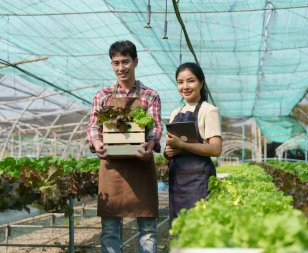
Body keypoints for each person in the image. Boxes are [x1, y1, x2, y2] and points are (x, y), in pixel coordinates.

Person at [87, 40, 163, 253]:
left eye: (125, 62)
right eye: (116, 63)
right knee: (110, 228)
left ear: (136, 62)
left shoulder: (150, 95)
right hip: (112, 169)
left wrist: (150, 143)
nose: (121, 68)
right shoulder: (102, 96)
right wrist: (98, 142)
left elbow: (156, 126)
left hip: (141, 166)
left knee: (147, 228)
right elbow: (94, 126)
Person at [164, 62, 222, 224]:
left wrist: (182, 145)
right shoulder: (176, 112)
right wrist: (168, 151)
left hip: (199, 180)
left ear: (201, 82)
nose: (185, 86)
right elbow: (170, 145)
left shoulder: (208, 110)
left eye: (191, 81)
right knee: (180, 228)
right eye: (180, 82)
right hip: (178, 180)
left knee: (199, 227)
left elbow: (216, 149)